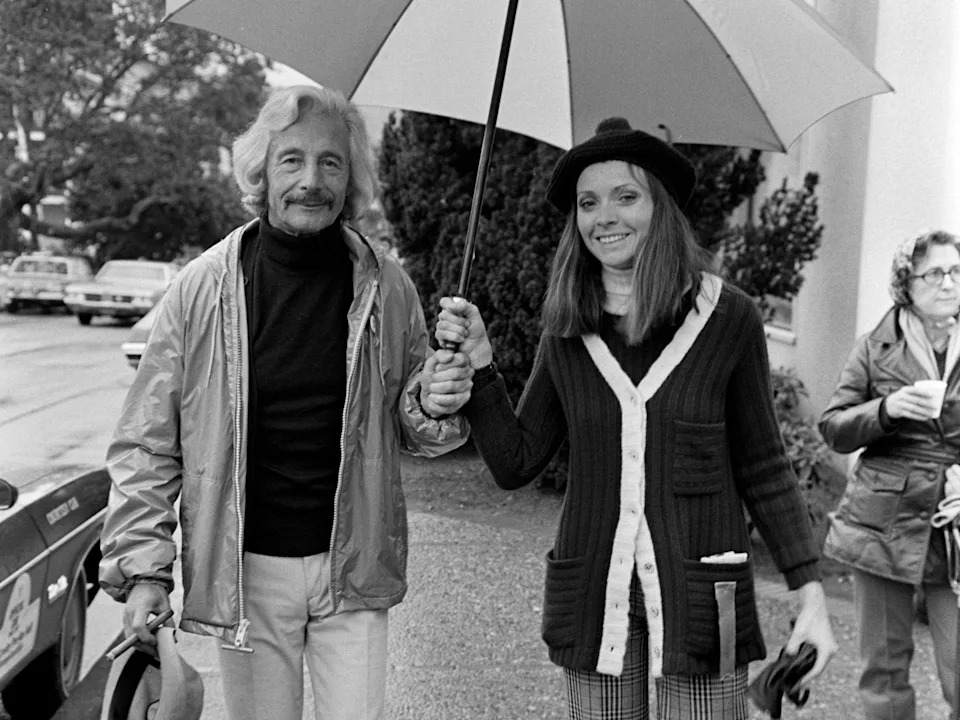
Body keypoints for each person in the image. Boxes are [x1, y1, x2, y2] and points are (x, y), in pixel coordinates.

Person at [434, 118, 836, 719]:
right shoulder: (567, 329)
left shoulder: (729, 320)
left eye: (626, 197)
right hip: (594, 596)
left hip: (704, 599)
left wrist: (811, 594)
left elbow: (765, 466)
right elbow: (517, 462)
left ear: (662, 207)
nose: (605, 217)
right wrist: (483, 368)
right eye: (588, 203)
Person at [98, 84, 474, 720]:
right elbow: (147, 441)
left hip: (353, 568)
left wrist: (437, 401)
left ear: (350, 177)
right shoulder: (200, 289)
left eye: (330, 162)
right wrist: (143, 571)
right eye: (291, 160)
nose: (311, 180)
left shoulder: (389, 287)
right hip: (247, 572)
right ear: (261, 173)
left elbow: (417, 425)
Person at [819, 229, 960, 720]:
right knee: (883, 672)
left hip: (954, 526)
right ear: (907, 283)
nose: (949, 283)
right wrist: (887, 408)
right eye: (935, 273)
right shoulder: (875, 347)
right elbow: (834, 428)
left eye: (956, 271)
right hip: (882, 523)